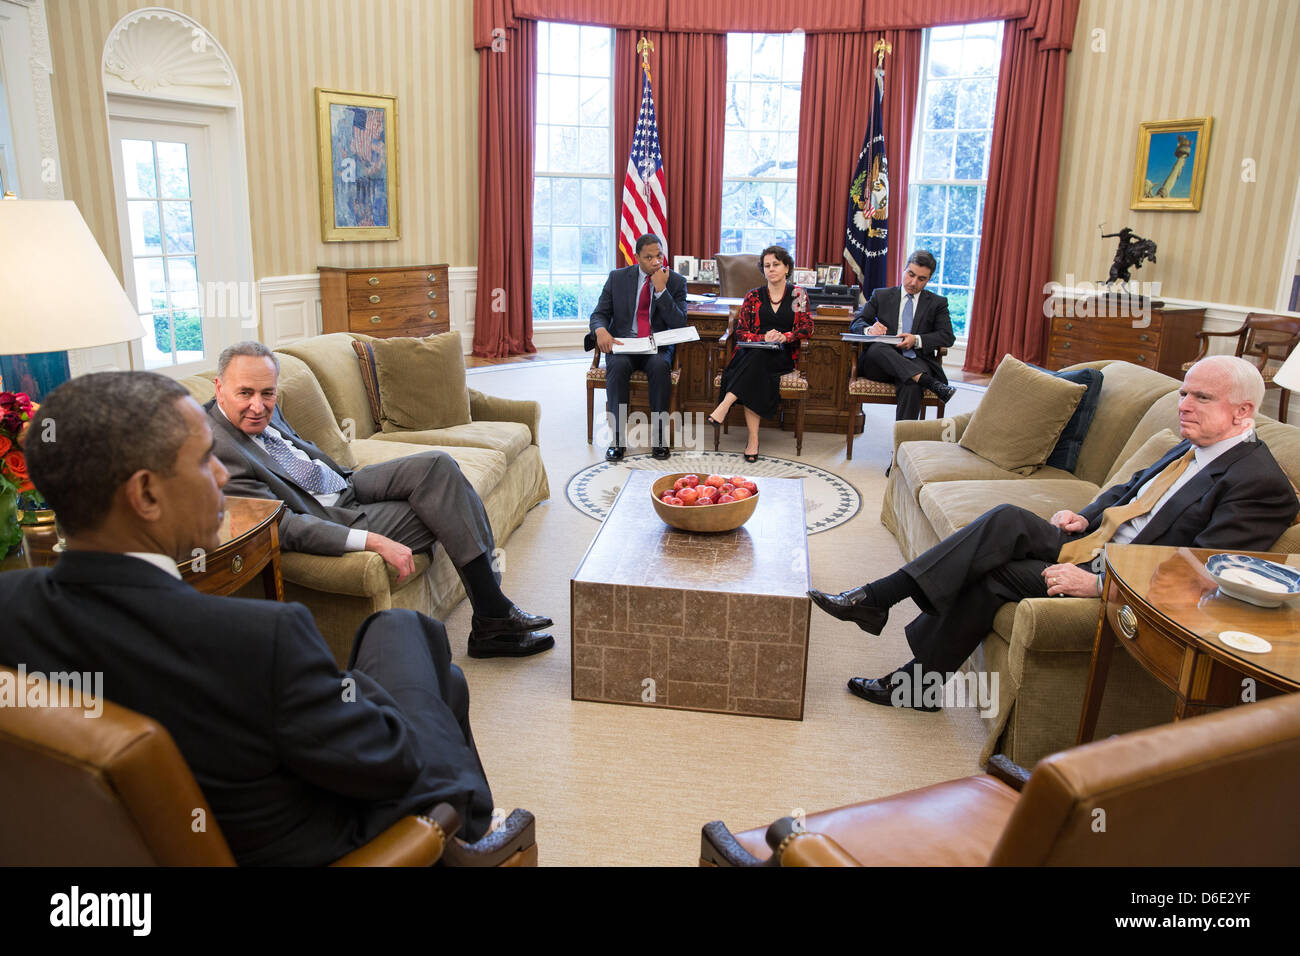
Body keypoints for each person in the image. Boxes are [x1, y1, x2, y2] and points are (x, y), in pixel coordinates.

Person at [0, 372, 495, 864]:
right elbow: (393, 763)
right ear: (146, 495)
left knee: (412, 644)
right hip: (325, 843)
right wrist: (355, 689)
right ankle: (470, 837)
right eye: (202, 460)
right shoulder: (257, 640)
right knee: (421, 652)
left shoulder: (10, 604)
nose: (221, 476)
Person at [809, 356, 1298, 711]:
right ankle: (882, 605)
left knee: (995, 572)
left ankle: (909, 667)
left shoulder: (1259, 485)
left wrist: (1100, 585)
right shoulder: (1198, 444)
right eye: (1183, 393)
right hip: (1096, 542)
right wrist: (1085, 516)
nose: (1184, 405)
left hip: (1116, 572)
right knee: (1005, 520)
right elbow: (1131, 487)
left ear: (1242, 412)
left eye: (1201, 397)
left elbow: (1201, 573)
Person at [208, 341, 552, 659]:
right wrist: (372, 541)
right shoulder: (218, 451)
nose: (258, 405)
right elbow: (283, 526)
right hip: (332, 516)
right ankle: (493, 620)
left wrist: (342, 476)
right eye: (246, 394)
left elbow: (295, 454)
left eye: (267, 394)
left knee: (439, 467)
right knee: (445, 507)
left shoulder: (258, 406)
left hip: (344, 482)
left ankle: (493, 612)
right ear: (219, 388)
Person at [588, 233, 689, 461]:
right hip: (625, 343)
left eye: (659, 256)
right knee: (617, 367)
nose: (656, 262)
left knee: (659, 367)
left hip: (656, 346)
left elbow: (679, 323)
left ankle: (659, 440)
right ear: (636, 258)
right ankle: (618, 440)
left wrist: (662, 291)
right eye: (649, 257)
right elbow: (599, 314)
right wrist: (601, 330)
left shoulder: (675, 281)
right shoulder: (617, 278)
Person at [707, 245, 814, 462]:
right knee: (757, 360)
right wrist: (763, 339)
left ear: (786, 268)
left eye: (776, 264)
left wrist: (785, 336)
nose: (771, 269)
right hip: (754, 353)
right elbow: (741, 333)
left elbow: (806, 327)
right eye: (767, 265)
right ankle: (753, 439)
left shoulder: (796, 294)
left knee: (755, 362)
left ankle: (725, 405)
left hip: (782, 356)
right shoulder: (753, 297)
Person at [849, 249, 956, 420]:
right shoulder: (881, 295)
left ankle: (902, 443)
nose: (913, 282)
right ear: (904, 269)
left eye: (921, 279)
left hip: (916, 359)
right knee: (877, 349)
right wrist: (870, 330)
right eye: (910, 274)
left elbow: (947, 336)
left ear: (929, 280)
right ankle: (927, 381)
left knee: (912, 386)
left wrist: (917, 340)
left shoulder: (937, 303)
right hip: (880, 364)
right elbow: (856, 323)